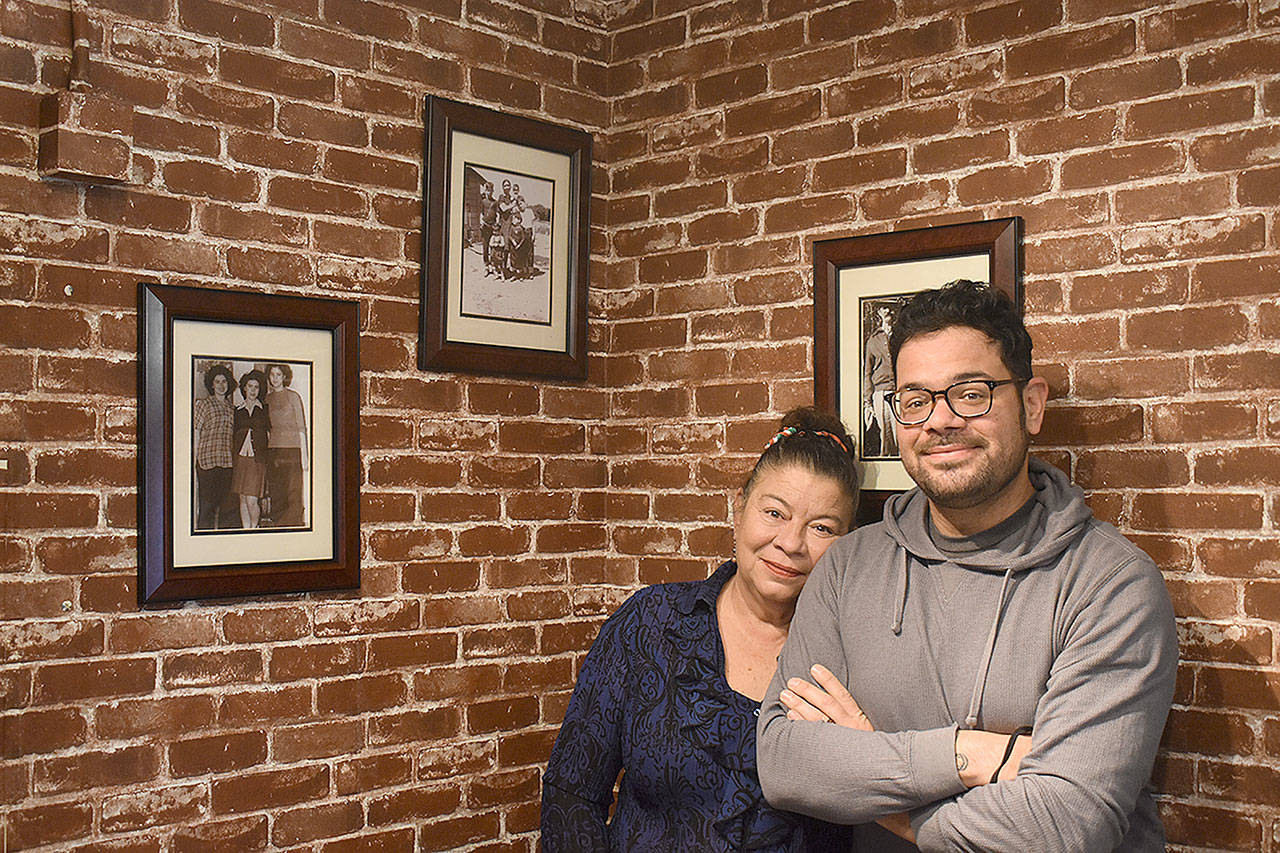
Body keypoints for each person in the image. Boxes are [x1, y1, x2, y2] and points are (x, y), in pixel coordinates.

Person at [757, 280, 1178, 851]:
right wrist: (971, 755)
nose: (940, 421)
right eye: (915, 400)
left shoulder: (1109, 584)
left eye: (971, 393)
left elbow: (1063, 828)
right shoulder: (848, 565)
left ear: (1031, 405)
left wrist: (870, 771)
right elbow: (784, 764)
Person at [542, 408, 861, 851]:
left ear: (847, 544)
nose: (790, 543)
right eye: (774, 513)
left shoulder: (854, 661)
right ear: (739, 508)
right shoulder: (650, 623)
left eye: (822, 528)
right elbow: (571, 791)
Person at [264, 363, 308, 528]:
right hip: (273, 450)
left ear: (284, 377)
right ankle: (278, 527)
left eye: (278, 375)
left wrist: (305, 455)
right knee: (277, 491)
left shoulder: (293, 396)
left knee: (293, 491)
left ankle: (293, 527)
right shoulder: (267, 399)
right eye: (272, 375)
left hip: (292, 450)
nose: (274, 378)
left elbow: (302, 427)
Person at [192, 363, 235, 530]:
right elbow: (196, 432)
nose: (221, 385)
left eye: (224, 381)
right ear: (212, 384)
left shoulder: (232, 408)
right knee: (207, 507)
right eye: (217, 381)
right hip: (206, 461)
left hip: (227, 462)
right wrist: (193, 459)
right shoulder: (203, 404)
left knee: (226, 507)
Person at [231, 368, 270, 530]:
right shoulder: (237, 410)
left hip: (257, 459)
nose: (253, 390)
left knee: (252, 500)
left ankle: (255, 528)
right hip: (240, 459)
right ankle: (246, 529)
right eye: (250, 386)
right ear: (244, 388)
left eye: (256, 387)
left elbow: (269, 434)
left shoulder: (265, 409)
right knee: (242, 498)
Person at [862, 303, 896, 457]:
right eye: (884, 309)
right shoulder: (873, 340)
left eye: (890, 309)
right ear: (879, 314)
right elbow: (867, 371)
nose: (888, 311)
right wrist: (867, 399)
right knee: (885, 434)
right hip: (880, 392)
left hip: (900, 392)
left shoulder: (901, 335)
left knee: (900, 433)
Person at [478, 181, 499, 276]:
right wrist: (480, 222)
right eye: (487, 190)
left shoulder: (495, 202)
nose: (489, 192)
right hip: (485, 226)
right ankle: (486, 266)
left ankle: (493, 266)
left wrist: (497, 224)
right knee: (485, 247)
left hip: (493, 227)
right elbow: (480, 213)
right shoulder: (482, 201)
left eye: (491, 190)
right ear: (485, 191)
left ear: (493, 191)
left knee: (493, 247)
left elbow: (497, 214)